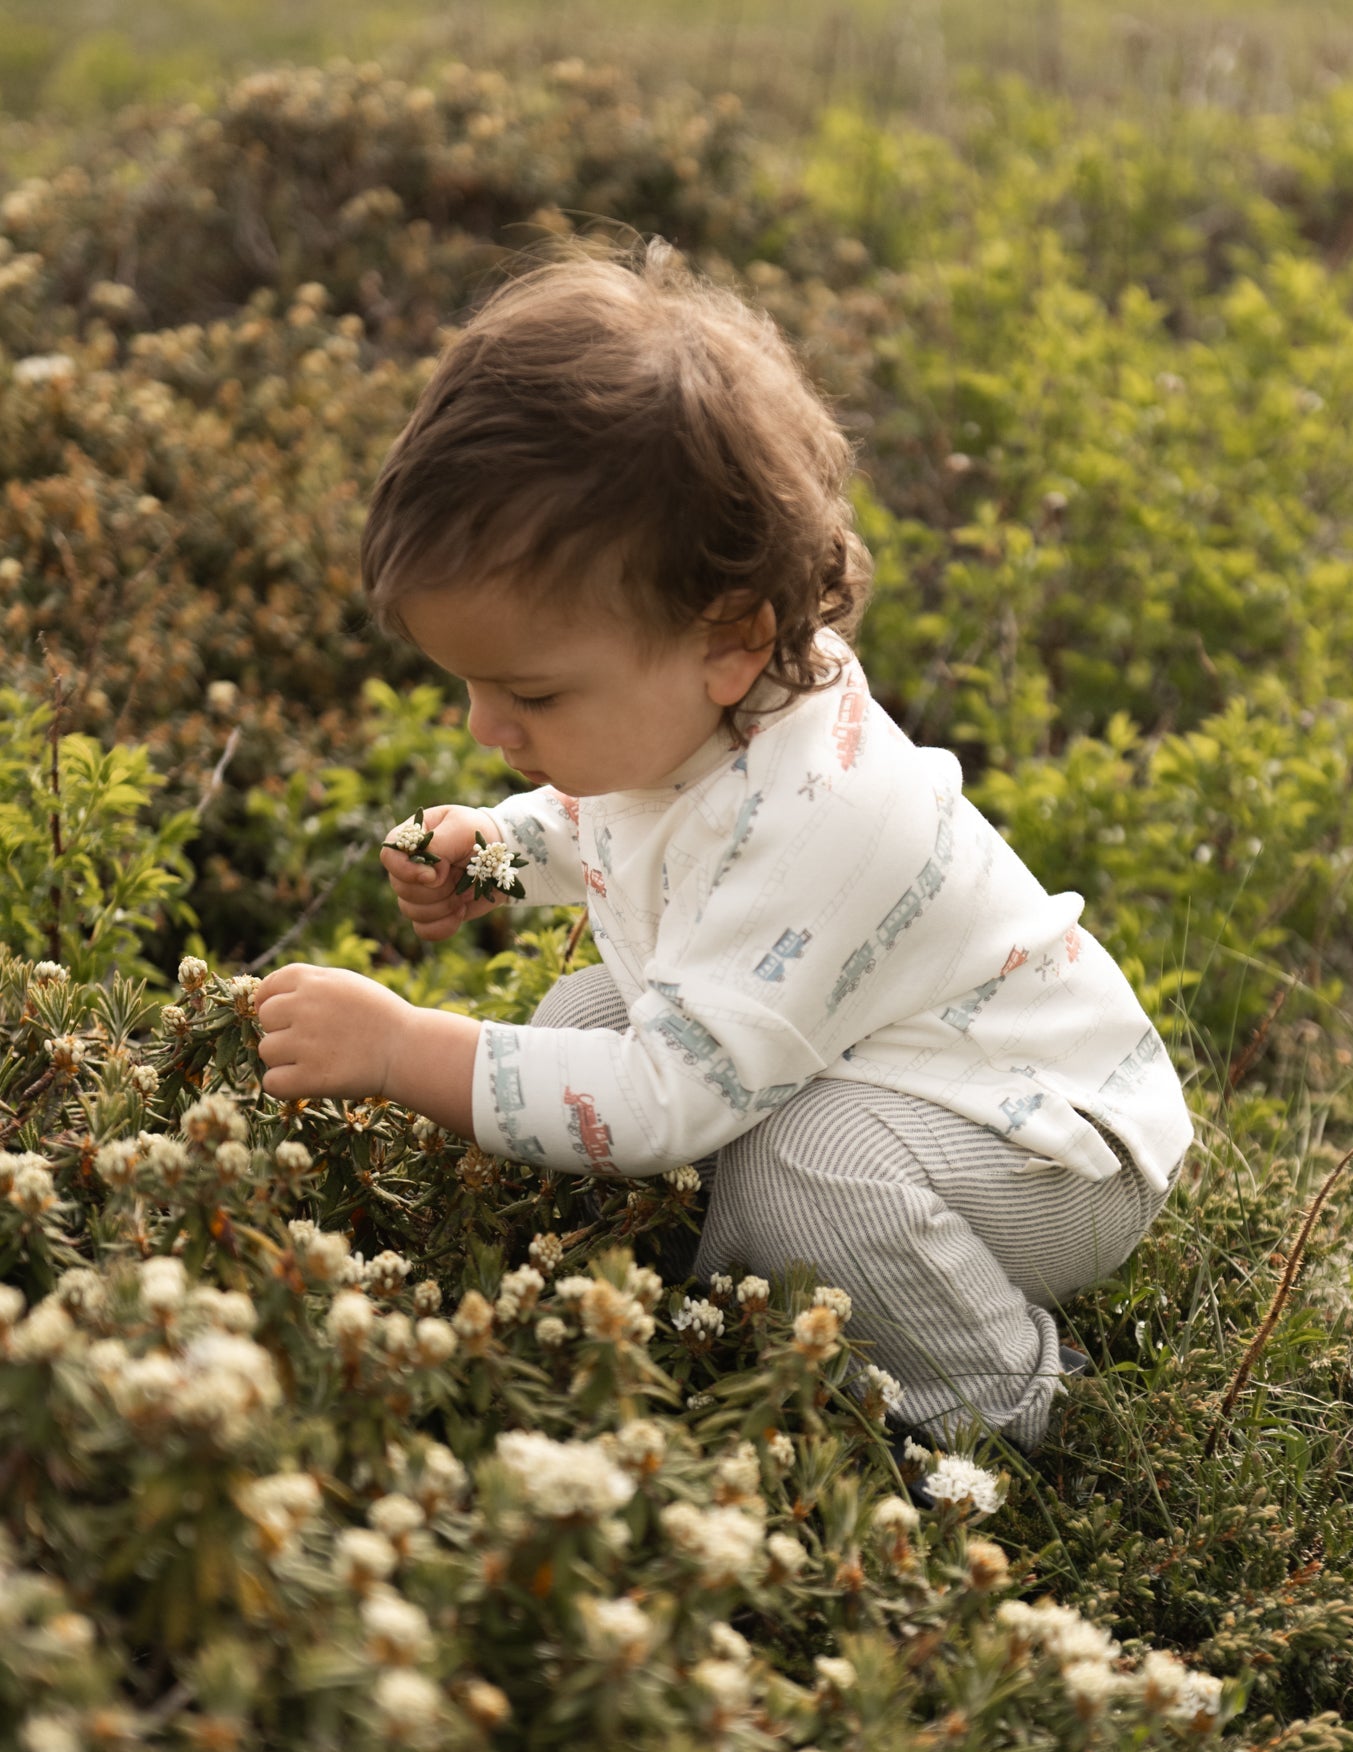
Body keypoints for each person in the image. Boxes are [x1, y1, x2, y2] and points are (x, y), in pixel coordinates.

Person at [253, 238, 1193, 1454]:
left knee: (798, 1169)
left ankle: (996, 1404)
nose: (488, 727)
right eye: (472, 685)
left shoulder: (827, 817)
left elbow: (658, 1100)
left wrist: (399, 1047)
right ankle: (700, 1280)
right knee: (585, 1016)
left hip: (1042, 1139)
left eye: (530, 693)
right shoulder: (706, 700)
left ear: (733, 636)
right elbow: (638, 810)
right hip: (876, 1055)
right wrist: (498, 849)